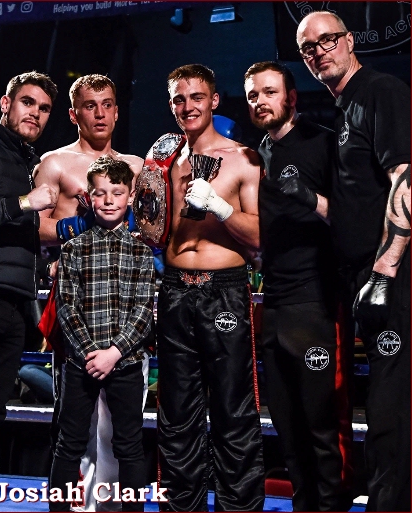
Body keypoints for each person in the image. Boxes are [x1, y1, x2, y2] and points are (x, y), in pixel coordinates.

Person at [297, 11, 411, 512]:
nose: (319, 51)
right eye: (308, 47)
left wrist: (384, 271)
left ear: (349, 41)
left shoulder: (380, 91)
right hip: (364, 274)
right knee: (385, 401)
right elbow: (359, 203)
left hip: (393, 276)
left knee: (391, 406)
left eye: (327, 40)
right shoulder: (345, 108)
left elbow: (406, 177)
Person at [147, 64, 265, 511]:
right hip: (174, 289)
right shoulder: (162, 161)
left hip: (225, 291)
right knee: (176, 412)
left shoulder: (243, 158)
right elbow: (152, 230)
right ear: (171, 105)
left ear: (214, 100)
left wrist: (218, 206)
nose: (188, 106)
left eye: (197, 97)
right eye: (179, 99)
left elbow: (260, 237)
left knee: (234, 410)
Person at [33, 74, 146, 512]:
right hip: (75, 303)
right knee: (73, 429)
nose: (100, 113)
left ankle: (112, 507)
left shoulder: (135, 166)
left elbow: (154, 229)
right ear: (74, 113)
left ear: (117, 110)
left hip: (124, 309)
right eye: (89, 105)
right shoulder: (55, 162)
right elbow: (34, 226)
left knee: (122, 434)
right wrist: (72, 227)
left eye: (107, 104)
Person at [244, 60, 353, 511]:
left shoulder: (324, 144)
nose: (260, 102)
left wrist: (311, 199)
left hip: (317, 302)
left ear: (290, 97)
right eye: (253, 95)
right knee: (287, 429)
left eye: (269, 92)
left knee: (323, 427)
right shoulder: (257, 155)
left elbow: (355, 220)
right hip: (274, 303)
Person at [49, 155, 155, 512]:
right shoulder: (73, 249)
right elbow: (67, 308)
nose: (109, 200)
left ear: (130, 197)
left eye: (117, 192)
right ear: (89, 198)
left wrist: (114, 353)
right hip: (81, 364)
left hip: (126, 363)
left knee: (129, 447)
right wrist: (92, 354)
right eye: (101, 193)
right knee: (69, 444)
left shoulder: (141, 252)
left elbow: (144, 311)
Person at [0, 71, 58, 512]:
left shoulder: (26, 160)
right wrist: (25, 203)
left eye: (44, 108)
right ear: (5, 104)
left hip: (15, 301)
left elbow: (22, 235)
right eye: (28, 102)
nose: (35, 113)